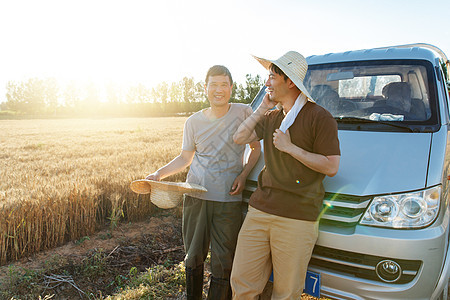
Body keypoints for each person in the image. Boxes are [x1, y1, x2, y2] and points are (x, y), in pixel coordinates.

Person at [230, 51, 341, 299]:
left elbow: (331, 166)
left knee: (286, 292)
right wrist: (261, 108)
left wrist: (291, 148)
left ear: (289, 81)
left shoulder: (319, 117)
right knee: (242, 284)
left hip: (297, 218)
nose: (266, 83)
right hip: (259, 211)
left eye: (271, 77)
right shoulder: (270, 116)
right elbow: (239, 137)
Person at [146, 65, 261, 300]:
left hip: (227, 200)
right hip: (196, 196)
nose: (219, 90)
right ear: (205, 88)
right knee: (194, 256)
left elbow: (255, 148)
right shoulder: (193, 122)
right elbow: (185, 158)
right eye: (214, 84)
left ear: (231, 87)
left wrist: (243, 174)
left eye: (223, 84)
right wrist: (158, 174)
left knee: (224, 260)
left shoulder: (244, 112)